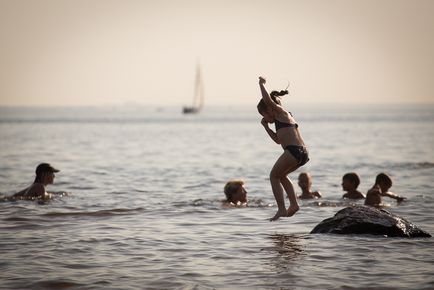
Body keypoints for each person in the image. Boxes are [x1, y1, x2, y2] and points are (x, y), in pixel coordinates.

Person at [257, 76, 309, 221]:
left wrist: (261, 84)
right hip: (301, 153)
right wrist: (266, 127)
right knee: (281, 176)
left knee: (273, 176)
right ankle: (293, 204)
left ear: (270, 109)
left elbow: (267, 100)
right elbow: (278, 141)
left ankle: (281, 209)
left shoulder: (281, 113)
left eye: (263, 115)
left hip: (293, 151)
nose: (264, 118)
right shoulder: (281, 120)